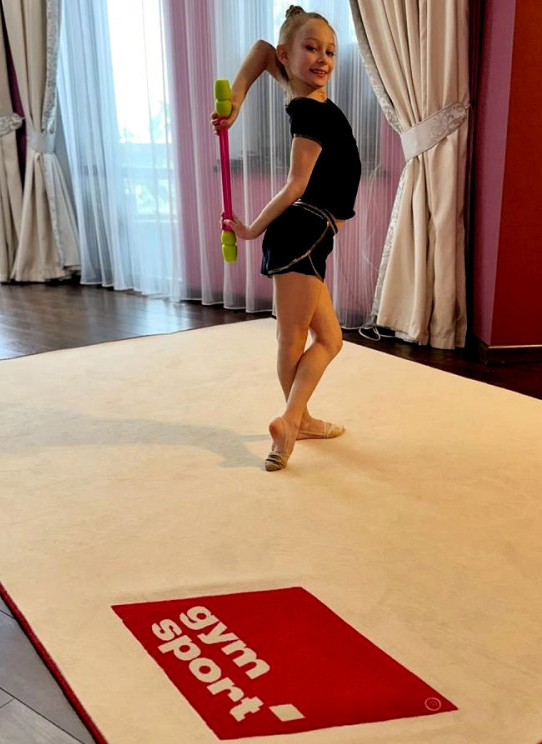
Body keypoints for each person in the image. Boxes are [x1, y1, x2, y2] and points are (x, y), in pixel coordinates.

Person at [211, 6, 361, 472]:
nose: (323, 59)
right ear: (288, 55)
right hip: (305, 230)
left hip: (308, 233)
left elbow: (259, 50)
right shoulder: (310, 110)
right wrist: (252, 228)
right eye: (311, 48)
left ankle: (301, 418)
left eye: (330, 51)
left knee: (329, 338)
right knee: (292, 337)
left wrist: (236, 99)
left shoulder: (301, 91)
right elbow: (296, 185)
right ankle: (291, 421)